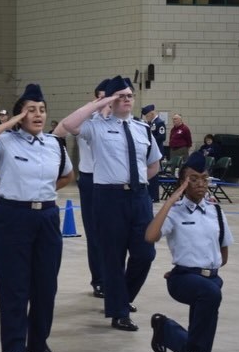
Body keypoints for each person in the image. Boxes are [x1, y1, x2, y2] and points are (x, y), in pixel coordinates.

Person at [0, 84, 74, 352]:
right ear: (19, 116)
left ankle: (38, 344)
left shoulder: (54, 144)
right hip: (12, 217)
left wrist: (41, 192)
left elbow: (67, 176)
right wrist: (10, 123)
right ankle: (14, 351)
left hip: (47, 217)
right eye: (30, 111)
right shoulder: (6, 142)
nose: (37, 115)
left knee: (45, 285)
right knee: (14, 286)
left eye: (41, 110)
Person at [59, 75, 161, 332]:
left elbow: (154, 164)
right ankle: (119, 311)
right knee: (113, 258)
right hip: (109, 198)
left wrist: (135, 182)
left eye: (129, 95)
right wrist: (100, 103)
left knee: (145, 253)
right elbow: (69, 124)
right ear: (111, 99)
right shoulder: (97, 127)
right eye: (121, 96)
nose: (126, 100)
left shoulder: (143, 129)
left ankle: (121, 299)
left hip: (138, 198)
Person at [145, 152, 233, 352]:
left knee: (204, 349)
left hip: (210, 278)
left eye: (204, 178)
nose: (201, 184)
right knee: (210, 295)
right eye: (193, 179)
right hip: (183, 279)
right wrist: (170, 201)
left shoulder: (216, 211)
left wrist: (204, 267)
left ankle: (165, 329)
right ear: (182, 182)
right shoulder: (174, 212)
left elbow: (223, 253)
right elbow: (150, 236)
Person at [55, 78, 109, 299]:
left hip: (115, 182)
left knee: (117, 234)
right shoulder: (85, 121)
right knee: (95, 233)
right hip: (91, 181)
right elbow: (60, 130)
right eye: (102, 97)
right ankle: (100, 280)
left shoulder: (124, 123)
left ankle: (116, 280)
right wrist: (91, 108)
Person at [142, 105, 166, 202]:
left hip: (157, 151)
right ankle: (151, 194)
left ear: (152, 114)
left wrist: (149, 140)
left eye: (147, 116)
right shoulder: (151, 123)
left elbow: (162, 137)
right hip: (151, 151)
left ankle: (154, 196)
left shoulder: (159, 123)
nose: (147, 118)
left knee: (154, 175)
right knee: (151, 175)